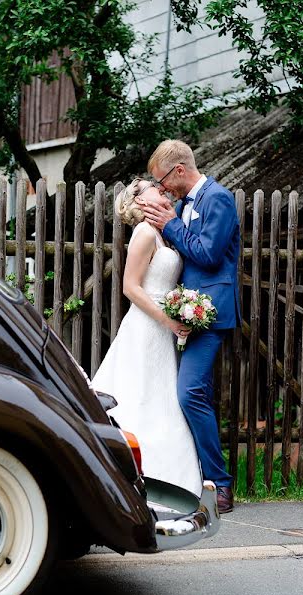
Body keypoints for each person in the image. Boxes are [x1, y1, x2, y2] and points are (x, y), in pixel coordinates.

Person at [137, 139, 240, 514]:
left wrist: (171, 223)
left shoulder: (219, 199)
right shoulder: (181, 205)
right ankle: (197, 478)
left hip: (210, 311)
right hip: (184, 311)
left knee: (190, 392)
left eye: (163, 181)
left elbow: (210, 255)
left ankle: (221, 483)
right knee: (190, 394)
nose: (163, 188)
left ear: (179, 170)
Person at [90, 178, 203, 497]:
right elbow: (131, 287)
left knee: (163, 397)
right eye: (150, 186)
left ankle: (170, 479)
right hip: (146, 328)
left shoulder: (163, 234)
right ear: (139, 200)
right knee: (138, 396)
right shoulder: (143, 234)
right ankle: (127, 478)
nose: (159, 186)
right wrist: (169, 320)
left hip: (165, 329)